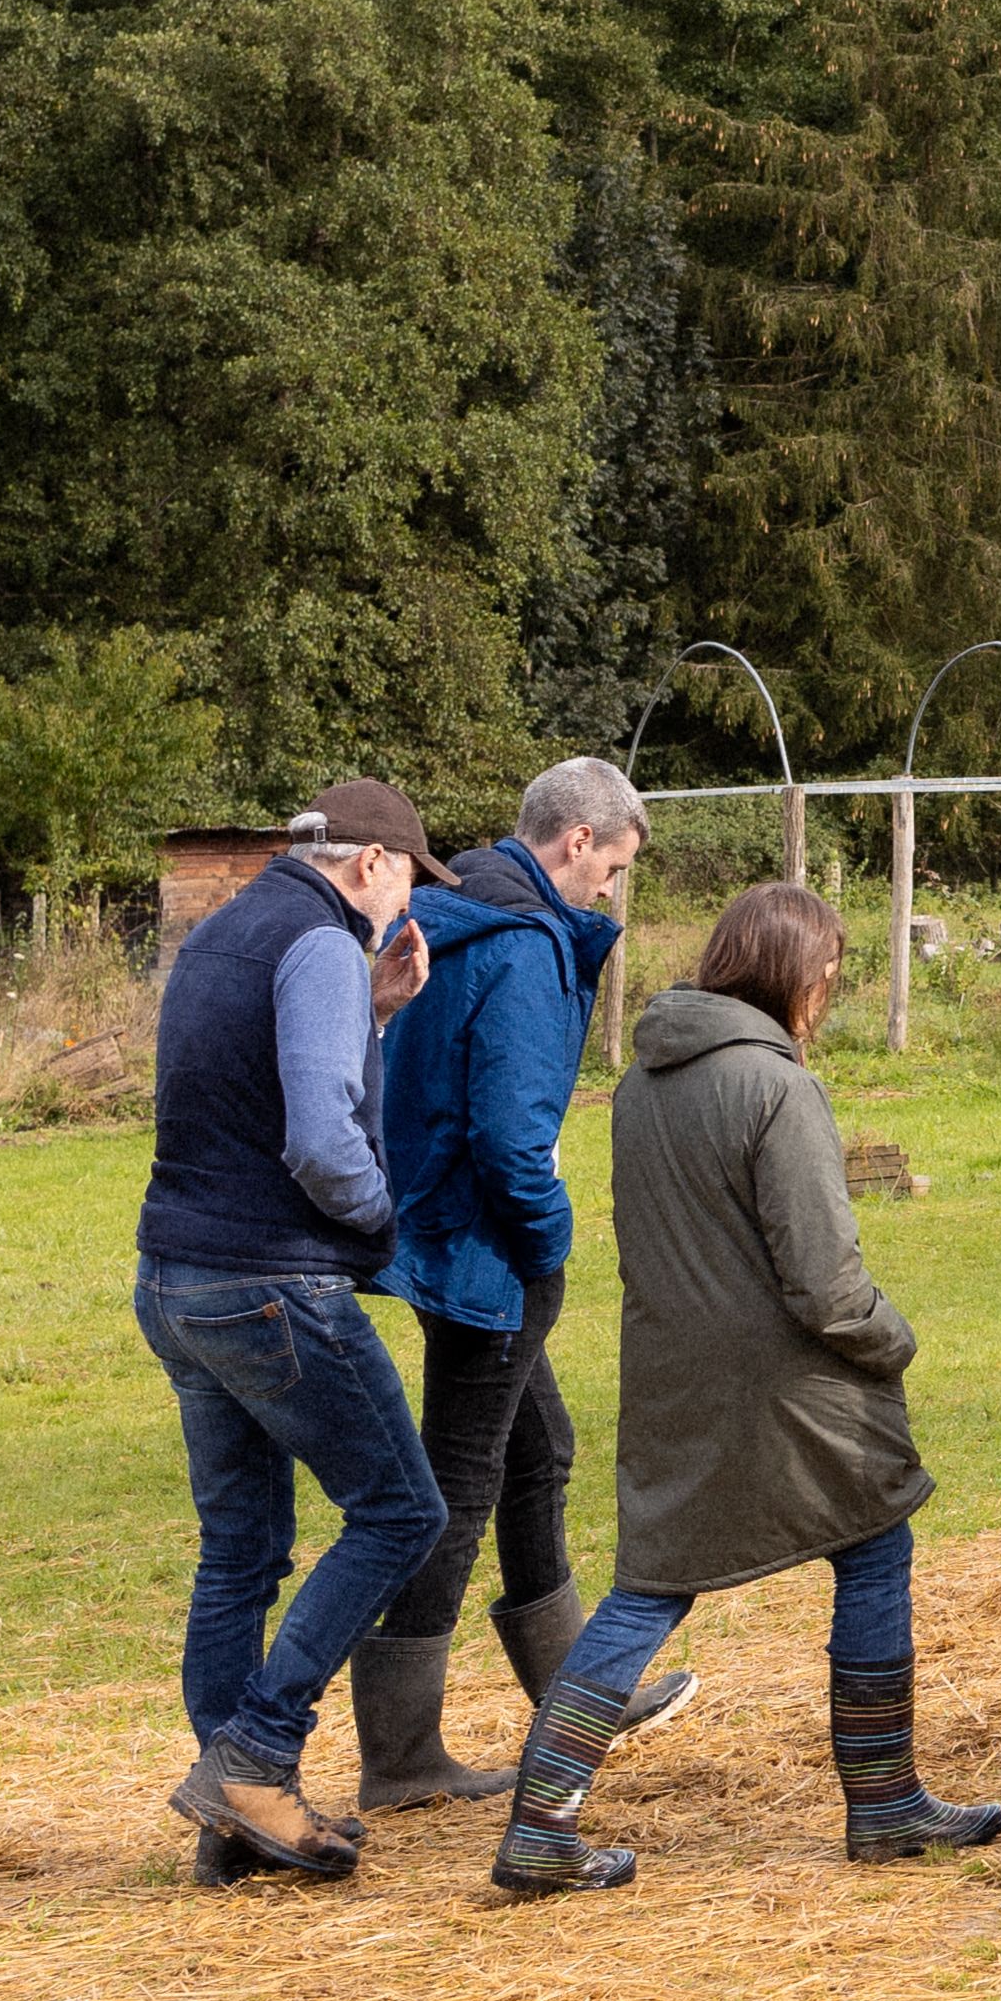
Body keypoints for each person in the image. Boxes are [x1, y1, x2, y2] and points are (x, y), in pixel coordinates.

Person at [486, 886, 1001, 1894]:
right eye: (829, 970)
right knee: (876, 1538)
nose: (830, 989)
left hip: (675, 1381)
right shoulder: (777, 1088)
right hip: (791, 1390)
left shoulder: (640, 1082)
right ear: (789, 971)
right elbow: (825, 1282)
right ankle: (886, 1799)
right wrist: (892, 1340)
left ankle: (540, 1820)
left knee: (649, 1587)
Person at [135, 781, 454, 1881]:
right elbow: (321, 1141)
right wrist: (384, 1223)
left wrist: (373, 1010)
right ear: (370, 865)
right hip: (267, 1285)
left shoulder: (227, 928)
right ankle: (258, 1752)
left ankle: (240, 1817)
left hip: (173, 1280)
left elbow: (246, 1077)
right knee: (403, 1509)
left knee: (240, 1550)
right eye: (411, 874)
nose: (408, 897)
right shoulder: (319, 942)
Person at [360, 756, 692, 1813]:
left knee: (537, 1448)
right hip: (483, 1250)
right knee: (453, 1491)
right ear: (577, 840)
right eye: (613, 869)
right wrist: (549, 1238)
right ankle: (403, 1754)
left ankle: (573, 1689)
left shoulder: (456, 915)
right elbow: (511, 1137)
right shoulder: (519, 944)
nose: (609, 893)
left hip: (445, 1236)